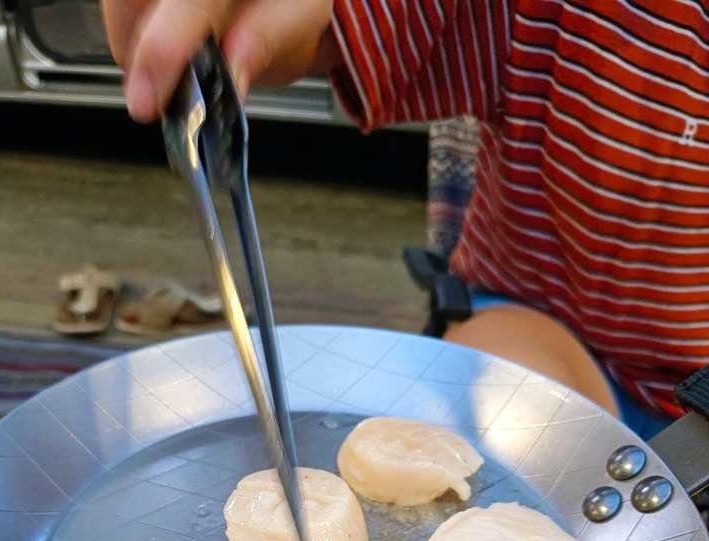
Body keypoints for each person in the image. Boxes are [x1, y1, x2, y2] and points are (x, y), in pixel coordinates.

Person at [101, 0, 709, 438]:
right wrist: (251, 27)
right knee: (473, 432)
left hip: (695, 386)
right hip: (539, 323)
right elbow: (339, 23)